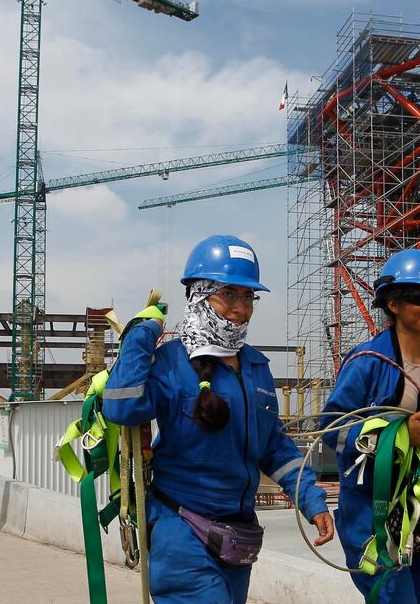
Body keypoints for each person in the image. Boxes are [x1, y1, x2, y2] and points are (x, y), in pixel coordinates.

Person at [102, 235, 334, 603]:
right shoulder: (172, 362)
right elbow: (121, 408)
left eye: (248, 297)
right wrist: (138, 338)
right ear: (199, 294)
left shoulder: (256, 367)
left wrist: (311, 500)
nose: (240, 308)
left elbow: (274, 447)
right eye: (229, 295)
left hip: (237, 537)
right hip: (182, 533)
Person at [320, 248, 420, 604]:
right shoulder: (366, 364)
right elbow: (331, 428)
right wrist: (400, 435)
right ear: (392, 303)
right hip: (371, 516)